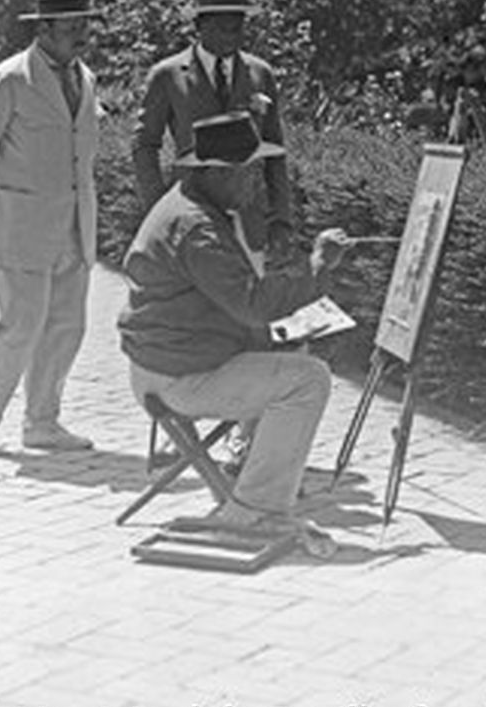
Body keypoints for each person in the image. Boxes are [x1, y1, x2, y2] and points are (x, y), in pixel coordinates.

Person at [117, 111, 352, 527]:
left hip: (168, 363)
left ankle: (247, 490)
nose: (255, 183)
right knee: (308, 380)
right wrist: (317, 267)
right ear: (218, 174)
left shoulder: (188, 206)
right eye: (248, 173)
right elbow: (252, 304)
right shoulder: (196, 227)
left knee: (290, 353)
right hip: (176, 378)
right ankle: (253, 510)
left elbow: (233, 302)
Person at [0, 0, 106, 456]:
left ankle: (43, 422)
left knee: (66, 327)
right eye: (71, 26)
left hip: (74, 226)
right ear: (44, 29)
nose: (81, 35)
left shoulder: (86, 79)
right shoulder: (10, 78)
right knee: (20, 326)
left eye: (85, 25)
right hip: (20, 225)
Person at [131, 0, 295, 265]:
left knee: (247, 303)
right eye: (223, 27)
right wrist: (158, 207)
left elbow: (276, 152)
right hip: (190, 213)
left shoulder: (260, 73)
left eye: (239, 27)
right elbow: (144, 144)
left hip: (248, 218)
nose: (232, 36)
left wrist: (281, 220)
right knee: (193, 304)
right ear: (200, 26)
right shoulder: (168, 75)